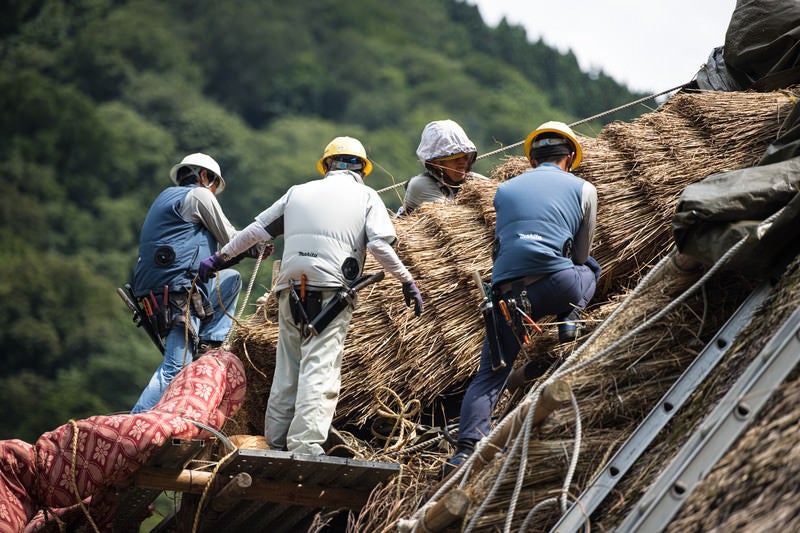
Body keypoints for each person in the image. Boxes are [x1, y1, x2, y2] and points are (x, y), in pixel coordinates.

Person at [198, 136, 424, 456]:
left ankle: (276, 440)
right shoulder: (367, 196)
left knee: (288, 365)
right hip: (331, 291)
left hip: (291, 288)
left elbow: (254, 232)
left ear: (326, 165)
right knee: (321, 367)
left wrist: (218, 259)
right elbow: (378, 245)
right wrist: (406, 279)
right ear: (362, 168)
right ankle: (305, 445)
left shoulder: (298, 192)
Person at [447, 121, 600, 471]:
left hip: (506, 296)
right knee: (591, 268)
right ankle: (569, 318)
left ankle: (465, 450)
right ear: (569, 159)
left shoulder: (503, 190)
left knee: (489, 374)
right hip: (558, 284)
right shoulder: (584, 189)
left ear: (531, 159)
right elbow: (579, 254)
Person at [130, 153, 263, 414]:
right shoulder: (199, 195)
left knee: (231, 280)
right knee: (175, 366)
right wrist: (254, 245)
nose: (214, 193)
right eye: (214, 186)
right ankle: (135, 422)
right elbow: (231, 239)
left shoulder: (165, 198)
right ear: (204, 177)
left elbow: (204, 257)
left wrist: (244, 251)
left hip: (160, 290)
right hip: (176, 291)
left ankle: (209, 346)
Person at [396, 119, 487, 216]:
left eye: (465, 157)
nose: (463, 163)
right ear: (435, 163)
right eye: (455, 159)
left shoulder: (475, 180)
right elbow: (452, 219)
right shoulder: (420, 185)